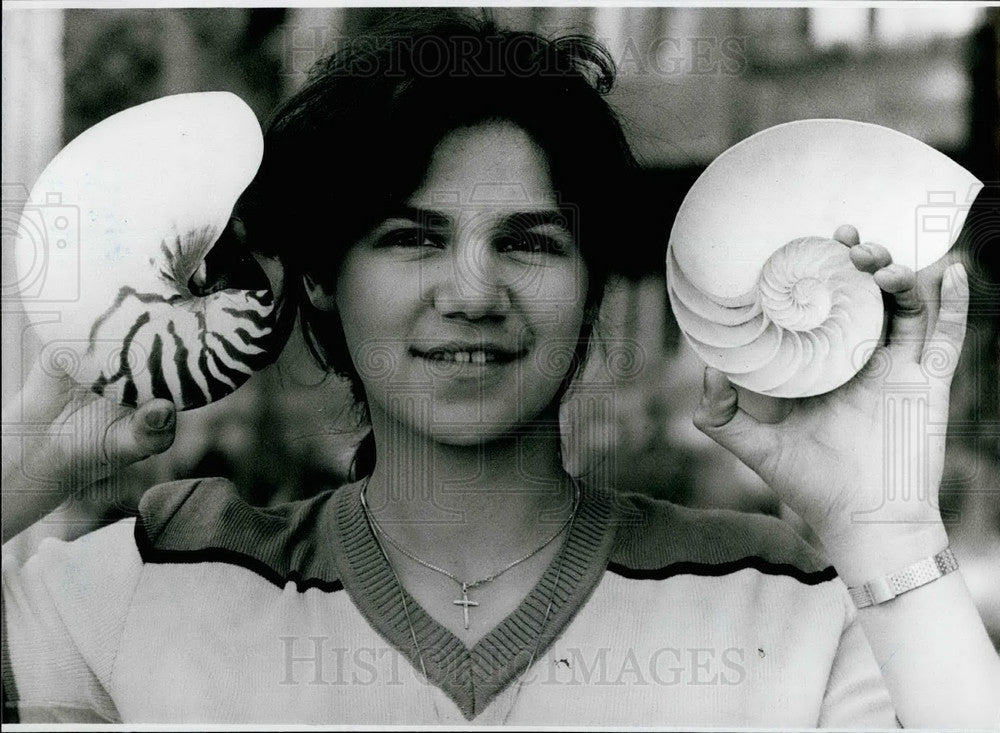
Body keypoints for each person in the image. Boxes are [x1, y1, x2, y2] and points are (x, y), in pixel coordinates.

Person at [2, 11, 998, 726]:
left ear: (594, 283)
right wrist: (16, 467)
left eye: (528, 242)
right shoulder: (142, 583)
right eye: (411, 238)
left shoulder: (787, 599)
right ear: (316, 281)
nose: (472, 291)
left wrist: (888, 529)